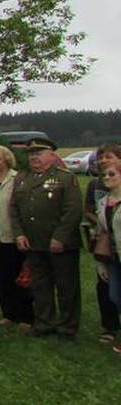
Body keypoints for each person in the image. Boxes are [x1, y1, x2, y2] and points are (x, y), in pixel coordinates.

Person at [11, 137, 83, 339]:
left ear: (52, 154)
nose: (34, 157)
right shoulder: (23, 178)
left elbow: (73, 211)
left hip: (60, 244)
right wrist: (19, 234)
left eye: (39, 153)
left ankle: (68, 327)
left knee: (66, 287)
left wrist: (60, 237)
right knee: (40, 286)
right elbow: (14, 208)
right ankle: (44, 323)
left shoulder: (65, 178)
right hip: (33, 242)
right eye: (31, 154)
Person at [0, 145, 33, 328]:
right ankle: (8, 313)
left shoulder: (17, 178)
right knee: (1, 276)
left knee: (19, 276)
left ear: (7, 160)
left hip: (12, 235)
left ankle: (26, 316)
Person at [84, 144, 121, 344]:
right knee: (110, 292)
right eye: (101, 158)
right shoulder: (98, 191)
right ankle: (110, 327)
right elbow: (92, 214)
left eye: (109, 157)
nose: (103, 161)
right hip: (110, 251)